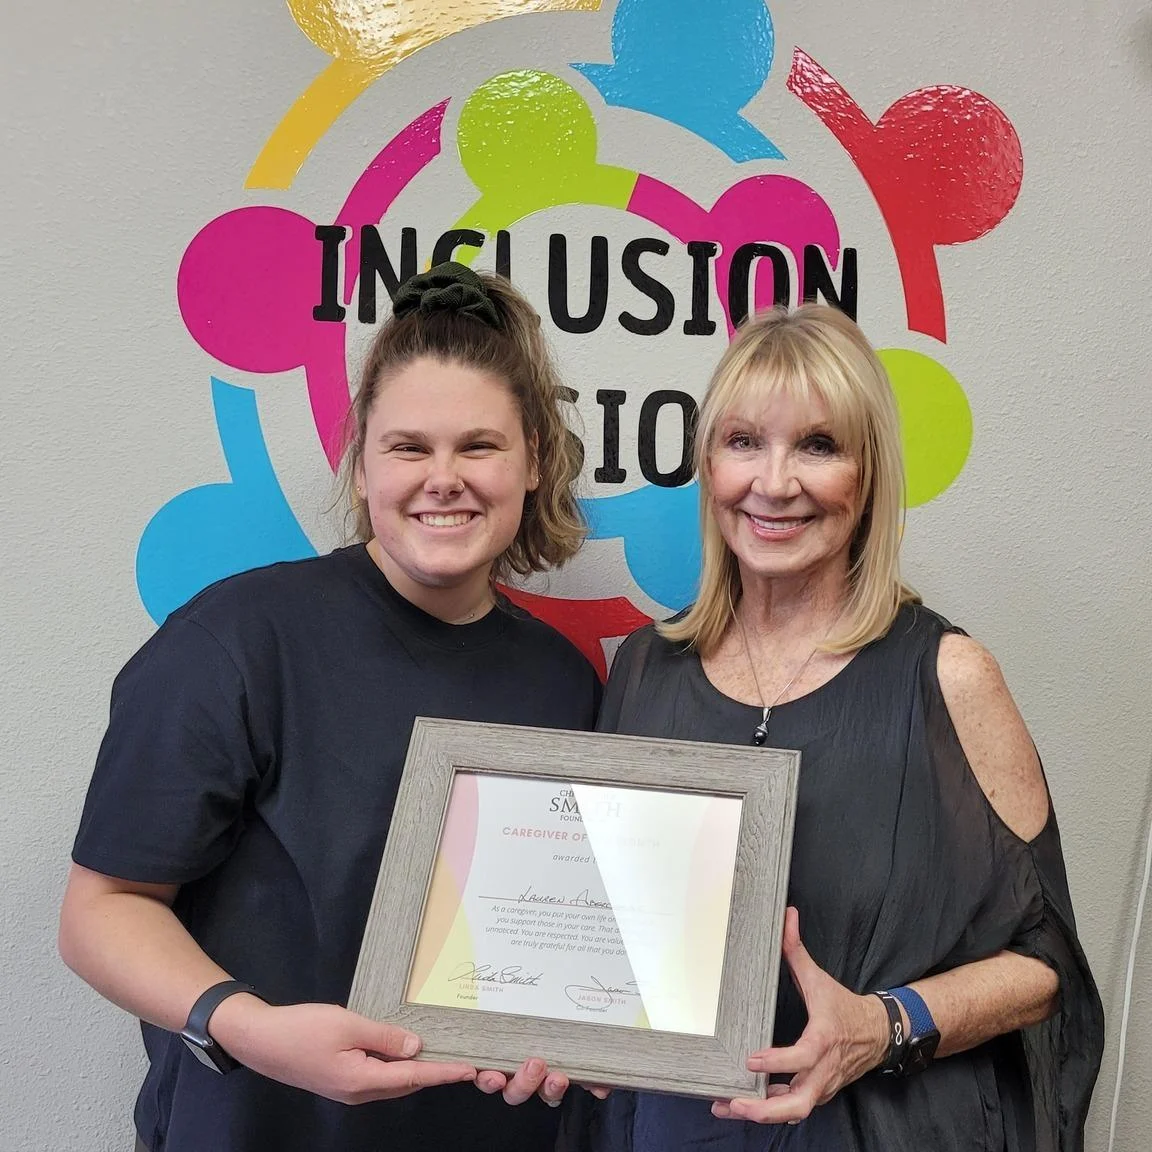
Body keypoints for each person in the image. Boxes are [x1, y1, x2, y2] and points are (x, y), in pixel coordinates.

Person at [59, 263, 602, 1152]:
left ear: (533, 462)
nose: (443, 478)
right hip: (259, 1124)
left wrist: (567, 1030)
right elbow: (99, 912)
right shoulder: (238, 640)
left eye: (479, 446)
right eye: (408, 447)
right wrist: (245, 1027)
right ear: (360, 466)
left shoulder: (563, 681)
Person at [559, 304, 1103, 1152]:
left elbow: (1047, 969)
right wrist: (572, 1019)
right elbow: (605, 929)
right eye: (743, 441)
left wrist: (880, 1026)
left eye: (818, 446)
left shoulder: (949, 676)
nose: (774, 483)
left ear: (870, 473)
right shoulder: (642, 670)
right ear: (707, 463)